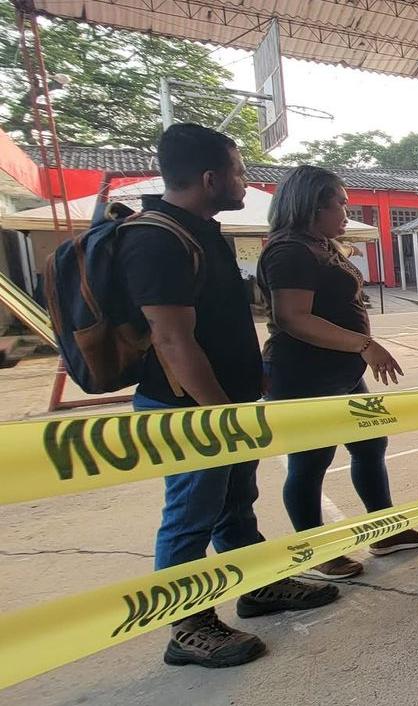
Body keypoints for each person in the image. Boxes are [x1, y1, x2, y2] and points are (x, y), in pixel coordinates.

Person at [116, 124, 338, 670]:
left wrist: (248, 379)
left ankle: (257, 585)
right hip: (190, 408)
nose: (245, 181)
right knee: (190, 514)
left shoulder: (200, 231)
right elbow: (171, 339)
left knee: (234, 503)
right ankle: (186, 625)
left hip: (226, 398)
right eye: (239, 171)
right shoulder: (156, 238)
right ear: (211, 178)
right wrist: (221, 412)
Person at [257, 165, 418, 579]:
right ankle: (317, 549)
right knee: (310, 462)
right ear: (311, 205)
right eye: (339, 202)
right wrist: (364, 343)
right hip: (304, 375)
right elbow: (293, 318)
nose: (346, 210)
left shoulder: (320, 245)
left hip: (341, 371)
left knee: (370, 445)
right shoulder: (289, 251)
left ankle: (384, 528)